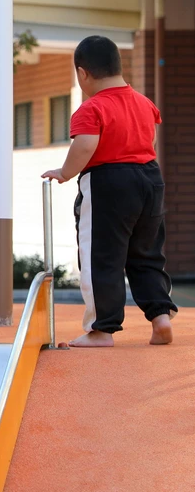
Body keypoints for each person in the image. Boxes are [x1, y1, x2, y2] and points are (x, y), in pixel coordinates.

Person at [42, 35, 177, 347]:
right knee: (146, 254)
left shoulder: (92, 108)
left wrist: (64, 173)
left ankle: (101, 329)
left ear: (83, 73)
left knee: (101, 256)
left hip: (109, 182)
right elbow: (150, 143)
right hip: (150, 179)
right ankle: (160, 317)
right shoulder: (145, 104)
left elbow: (86, 144)